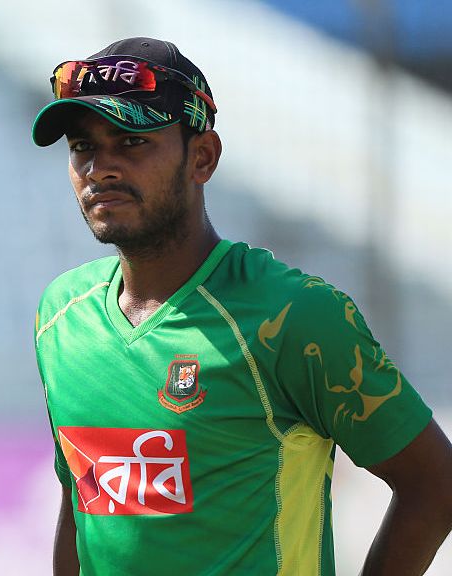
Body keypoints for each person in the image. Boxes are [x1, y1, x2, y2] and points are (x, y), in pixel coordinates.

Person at [31, 37, 452, 575]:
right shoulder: (62, 315)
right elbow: (80, 503)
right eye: (82, 146)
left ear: (202, 157)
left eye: (132, 141)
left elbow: (435, 485)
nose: (100, 168)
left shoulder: (294, 316)